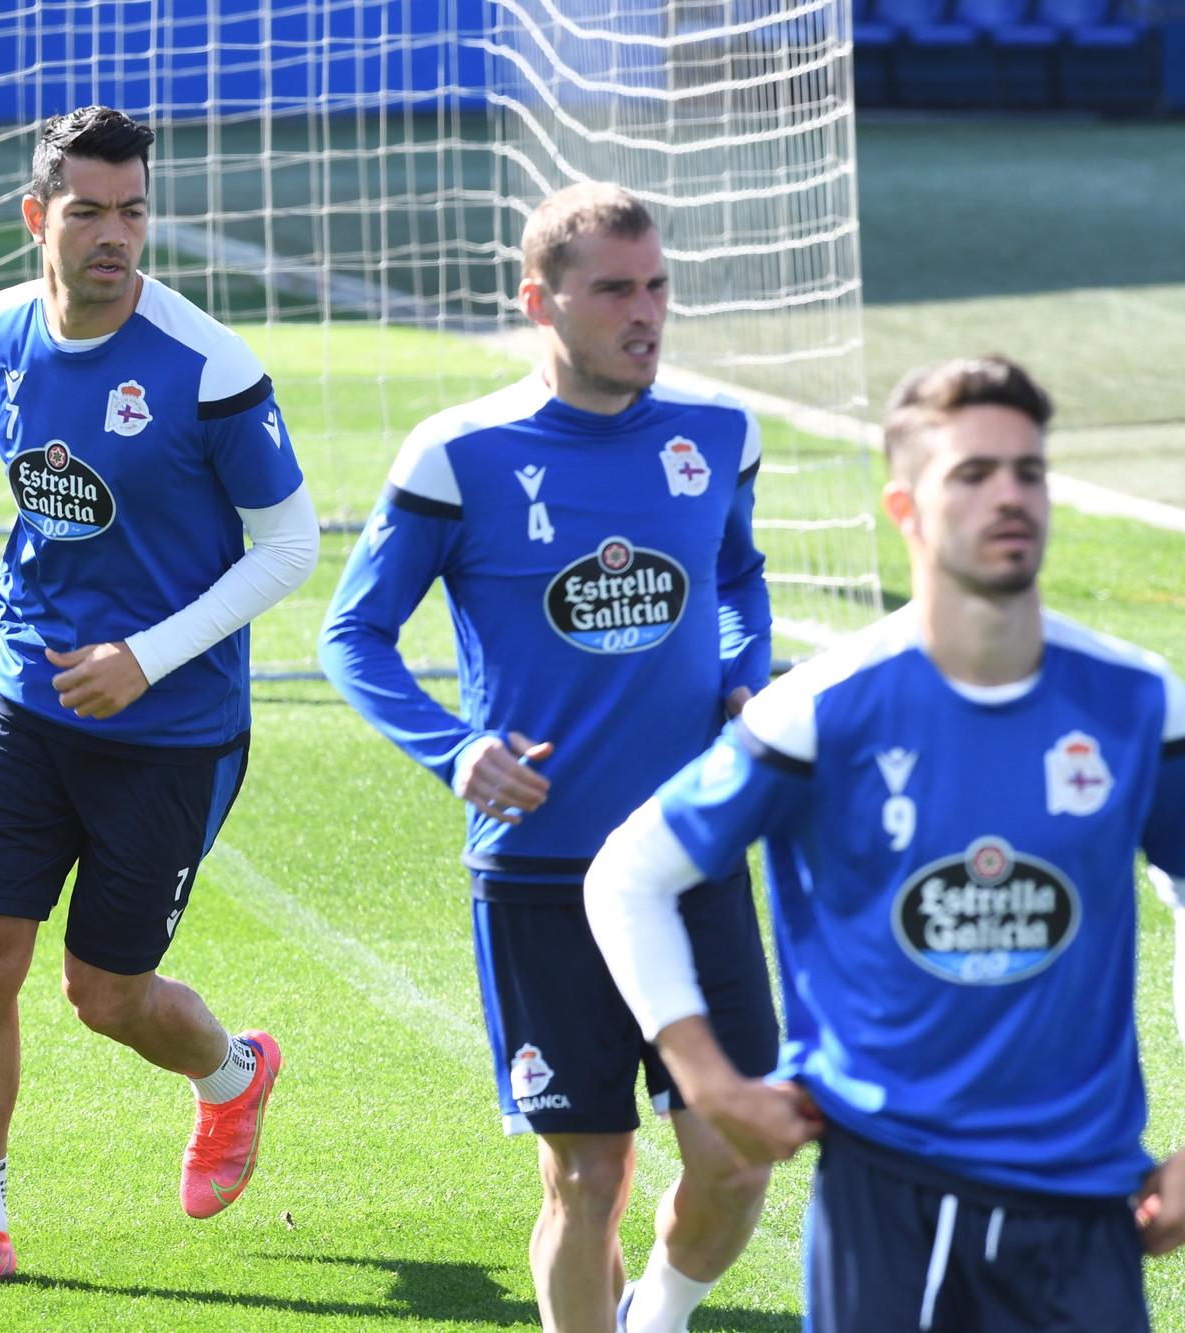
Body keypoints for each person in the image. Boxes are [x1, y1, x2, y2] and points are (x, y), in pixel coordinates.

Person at [0, 105, 320, 1293]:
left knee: (104, 994)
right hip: (27, 699)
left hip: (170, 728)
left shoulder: (208, 367)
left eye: (133, 210)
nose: (115, 234)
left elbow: (289, 546)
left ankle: (231, 1074)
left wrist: (148, 654)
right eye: (89, 210)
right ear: (38, 216)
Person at [583, 355, 1185, 1332]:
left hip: (1086, 1196)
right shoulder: (821, 711)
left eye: (1026, 473)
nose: (1008, 497)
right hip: (887, 1194)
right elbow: (627, 874)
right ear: (904, 508)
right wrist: (706, 1080)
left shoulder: (1135, 702)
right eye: (971, 474)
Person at [318, 182, 777, 1333]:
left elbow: (733, 577)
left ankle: (654, 1313)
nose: (645, 312)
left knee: (735, 1156)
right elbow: (351, 634)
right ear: (540, 302)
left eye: (657, 285)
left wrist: (741, 667)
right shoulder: (457, 454)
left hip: (689, 856)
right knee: (587, 1176)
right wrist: (452, 749)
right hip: (540, 872)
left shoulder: (716, 433)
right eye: (614, 288)